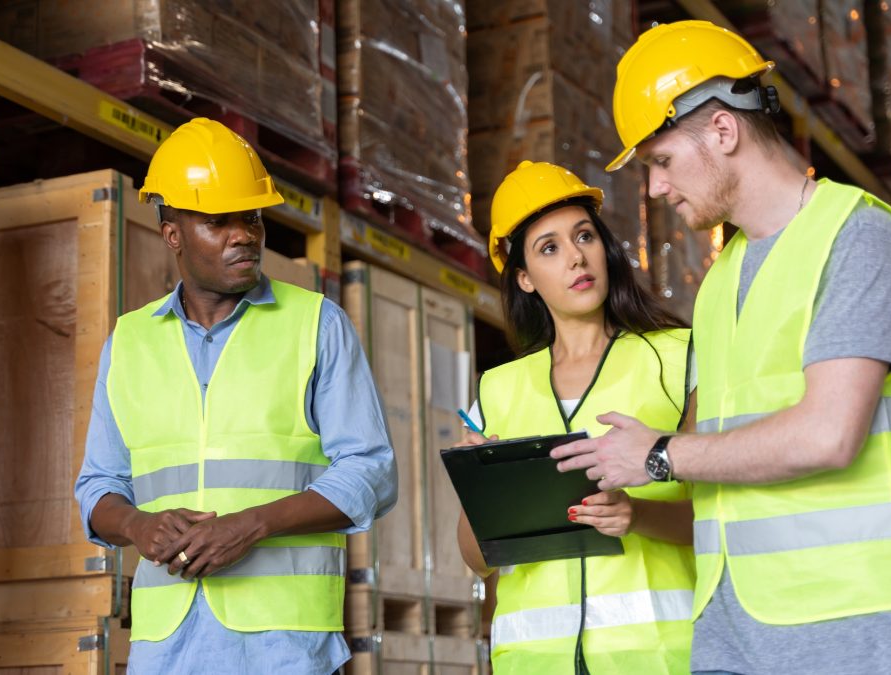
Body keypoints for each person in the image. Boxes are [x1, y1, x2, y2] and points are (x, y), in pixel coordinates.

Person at [552, 20, 891, 675]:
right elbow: (707, 480)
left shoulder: (859, 240)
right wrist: (633, 502)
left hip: (854, 633)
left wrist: (656, 452)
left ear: (724, 132)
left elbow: (829, 434)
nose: (654, 189)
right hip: (732, 638)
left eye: (662, 162)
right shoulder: (719, 283)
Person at [74, 117, 398, 674]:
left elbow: (371, 472)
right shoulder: (129, 341)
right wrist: (136, 526)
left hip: (286, 648)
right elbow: (99, 485)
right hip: (164, 648)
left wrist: (251, 525)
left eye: (250, 217)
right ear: (172, 232)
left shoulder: (316, 324)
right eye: (218, 221)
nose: (243, 234)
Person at [456, 160, 697, 674]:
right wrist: (485, 495)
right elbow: (476, 558)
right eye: (550, 248)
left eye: (584, 236)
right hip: (534, 661)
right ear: (523, 278)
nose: (576, 257)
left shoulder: (676, 359)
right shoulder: (497, 390)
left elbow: (724, 517)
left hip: (658, 660)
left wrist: (638, 515)